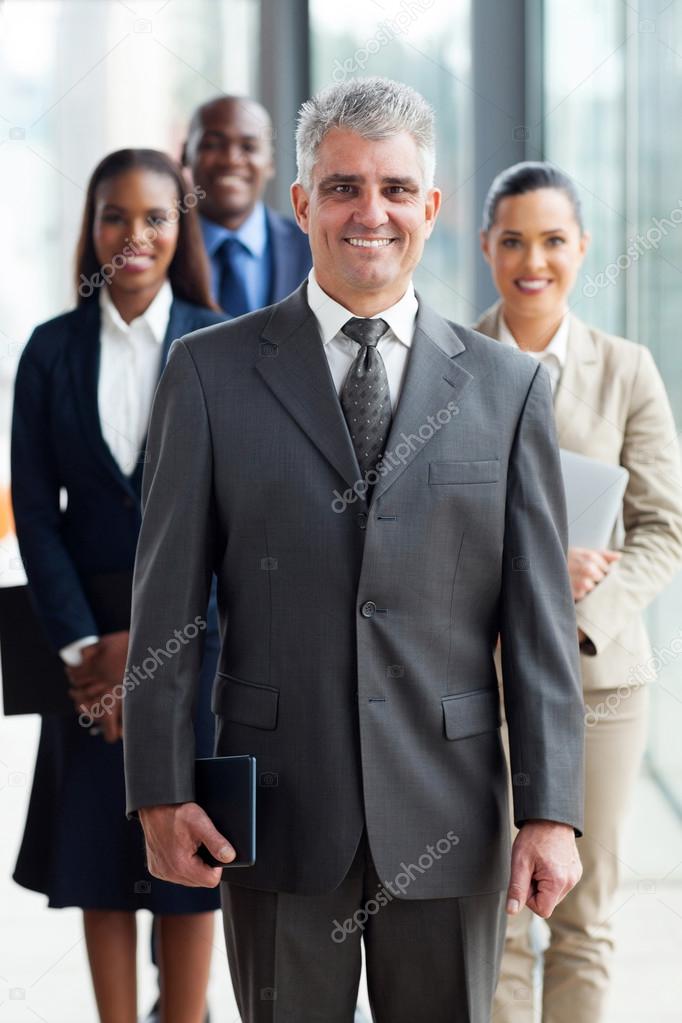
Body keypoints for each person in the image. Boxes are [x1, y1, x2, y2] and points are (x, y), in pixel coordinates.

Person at [123, 79, 585, 1023]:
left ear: (431, 206)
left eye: (395, 189)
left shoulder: (510, 390)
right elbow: (166, 600)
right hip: (276, 811)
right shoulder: (208, 374)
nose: (369, 213)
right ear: (301, 203)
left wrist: (552, 810)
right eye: (341, 187)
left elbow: (540, 623)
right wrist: (160, 793)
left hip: (450, 813)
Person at [11, 148, 227, 1023]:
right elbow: (35, 510)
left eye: (156, 217)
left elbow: (241, 519)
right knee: (101, 856)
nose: (133, 235)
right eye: (113, 216)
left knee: (189, 858)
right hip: (88, 650)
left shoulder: (223, 340)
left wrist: (160, 651)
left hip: (198, 641)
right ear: (90, 228)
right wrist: (88, 648)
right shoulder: (51, 349)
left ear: (182, 228)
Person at [476, 160, 682, 1022]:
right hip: (475, 674)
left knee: (581, 912)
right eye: (514, 239)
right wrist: (531, 573)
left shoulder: (627, 368)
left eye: (554, 240)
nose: (534, 259)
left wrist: (574, 611)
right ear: (486, 246)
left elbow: (663, 527)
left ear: (582, 248)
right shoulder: (447, 367)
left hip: (597, 679)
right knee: (493, 910)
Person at [182, 94, 312, 316]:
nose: (231, 159)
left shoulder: (312, 248)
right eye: (213, 144)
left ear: (270, 162)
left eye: (249, 147)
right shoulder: (162, 247)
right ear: (185, 154)